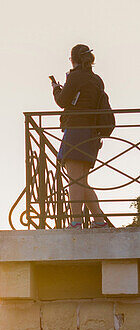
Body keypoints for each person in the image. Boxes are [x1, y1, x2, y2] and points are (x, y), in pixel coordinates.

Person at [52, 43, 112, 228]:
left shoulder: (76, 77)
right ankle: (99, 221)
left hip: (76, 131)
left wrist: (56, 88)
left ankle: (76, 221)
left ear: (74, 59)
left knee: (75, 180)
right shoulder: (97, 80)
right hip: (92, 134)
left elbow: (63, 101)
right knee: (82, 181)